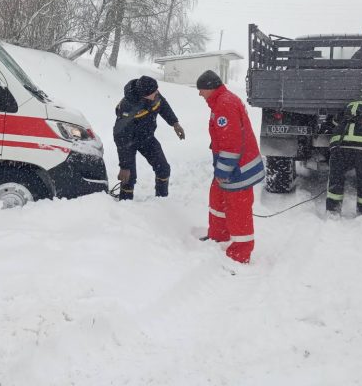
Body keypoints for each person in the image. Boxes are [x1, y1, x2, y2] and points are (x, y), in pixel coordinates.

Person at [197, 70, 264, 264]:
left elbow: (231, 143)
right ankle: (219, 235)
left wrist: (223, 171)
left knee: (238, 209)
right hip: (230, 166)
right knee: (217, 198)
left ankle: (241, 252)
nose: (200, 94)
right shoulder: (220, 101)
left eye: (201, 90)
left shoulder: (224, 105)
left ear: (210, 88)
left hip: (238, 169)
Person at [113, 75, 185, 200]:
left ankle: (162, 200)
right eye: (154, 92)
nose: (157, 93)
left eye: (157, 90)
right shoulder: (128, 107)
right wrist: (124, 166)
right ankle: (124, 206)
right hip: (128, 142)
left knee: (163, 169)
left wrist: (175, 123)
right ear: (143, 95)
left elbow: (163, 106)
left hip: (147, 138)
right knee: (128, 178)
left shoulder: (154, 93)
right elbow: (120, 136)